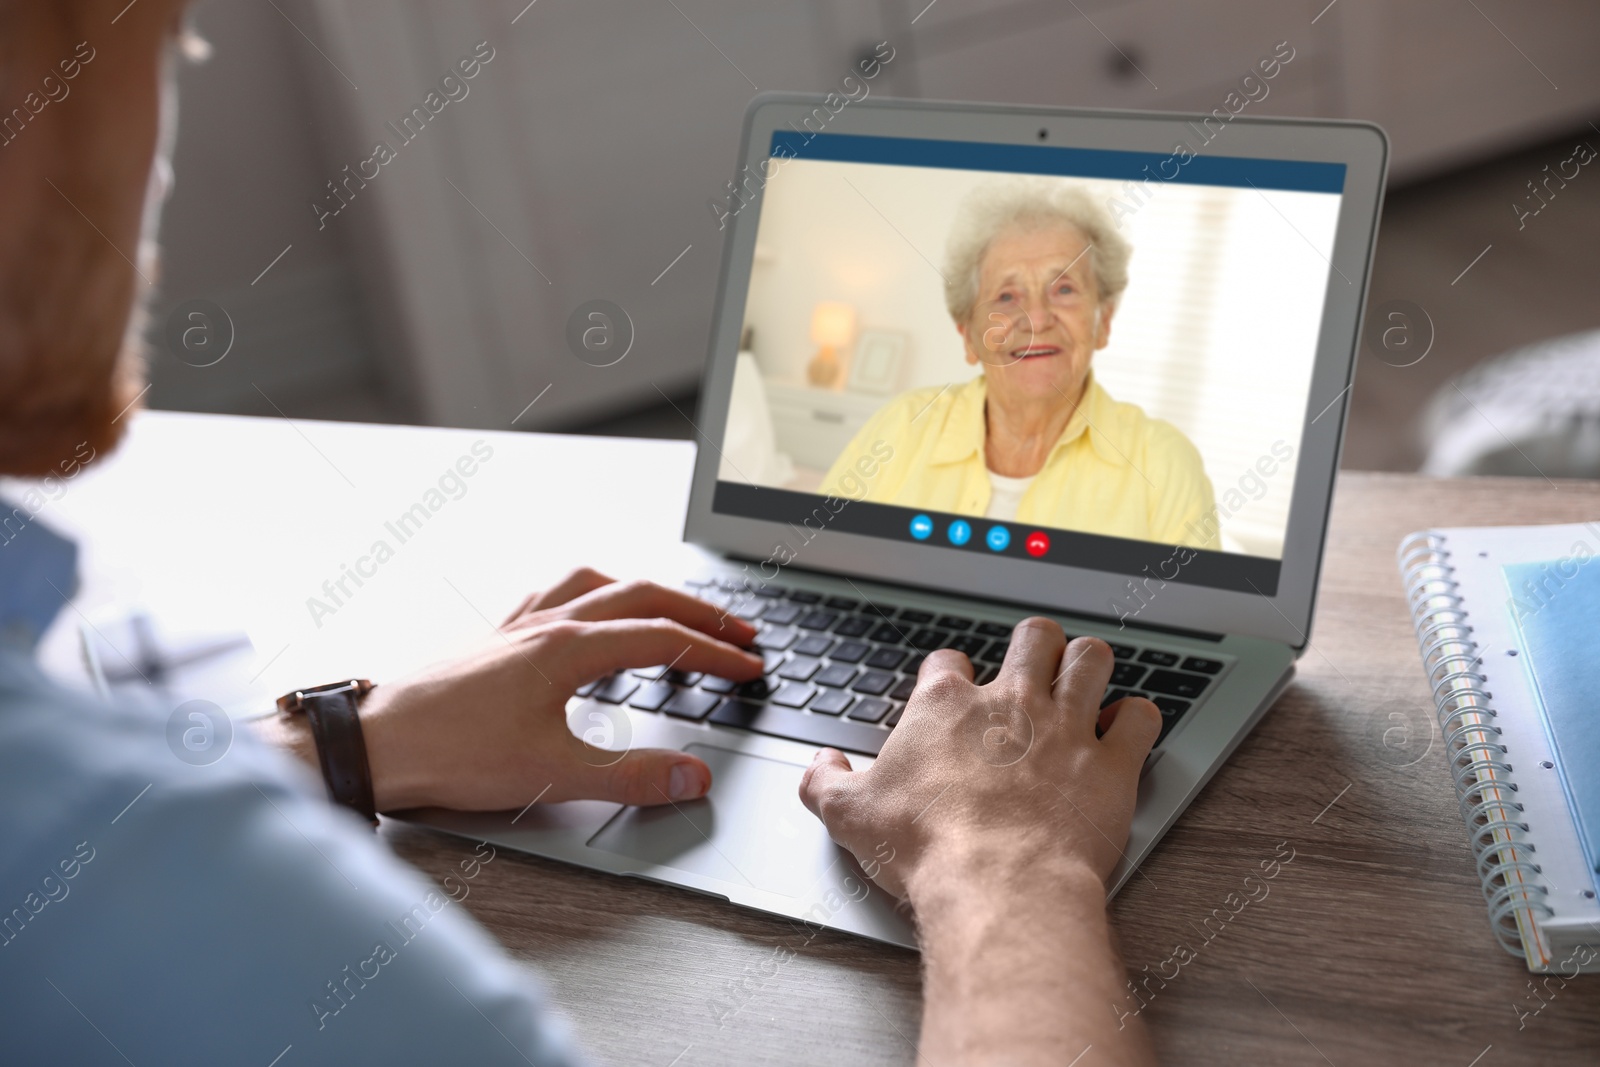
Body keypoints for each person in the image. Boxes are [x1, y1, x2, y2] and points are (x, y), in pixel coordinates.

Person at [0, 4, 1162, 1064]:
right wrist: (1004, 861)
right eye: (157, 44)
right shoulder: (208, 925)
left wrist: (335, 741)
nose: (151, 149)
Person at [823, 178, 1220, 549]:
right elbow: (817, 558)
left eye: (1064, 289)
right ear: (968, 336)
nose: (1037, 318)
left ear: (1104, 322)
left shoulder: (1165, 463)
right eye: (1007, 297)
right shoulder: (899, 429)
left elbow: (1195, 620)